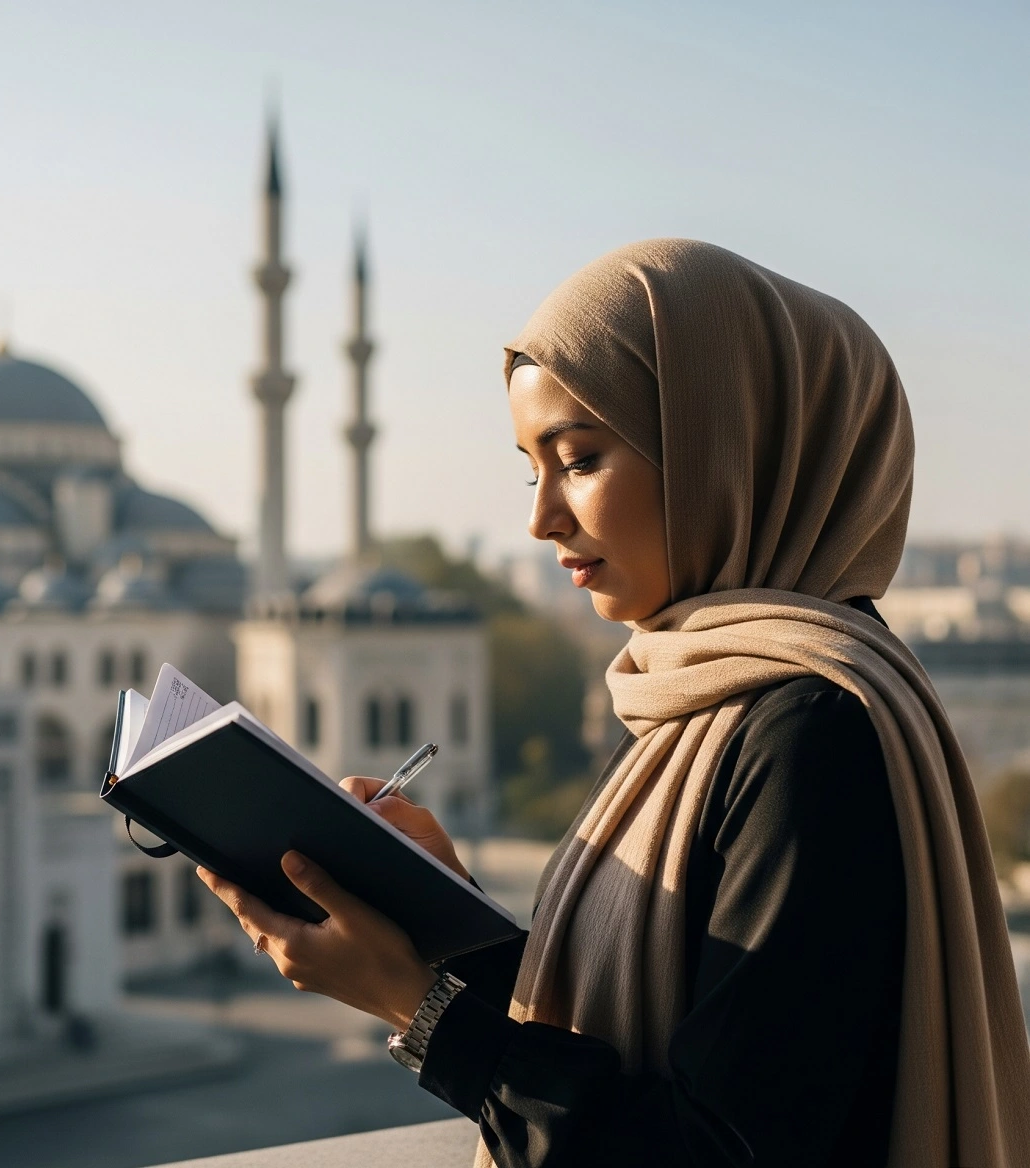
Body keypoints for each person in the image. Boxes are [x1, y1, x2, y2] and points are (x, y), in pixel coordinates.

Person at [199, 239, 1030, 1167]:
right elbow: (653, 1029)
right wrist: (445, 920)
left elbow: (714, 1148)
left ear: (728, 450)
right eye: (532, 470)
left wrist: (420, 1009)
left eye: (580, 460)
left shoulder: (809, 731)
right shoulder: (700, 698)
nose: (541, 518)